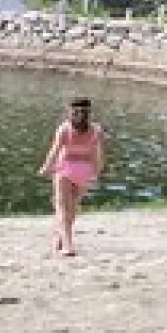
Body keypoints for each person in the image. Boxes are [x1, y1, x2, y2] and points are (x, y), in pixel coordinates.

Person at [38, 98, 106, 257]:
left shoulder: (64, 129)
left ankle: (68, 246)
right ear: (89, 112)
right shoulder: (97, 130)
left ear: (70, 111)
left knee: (62, 208)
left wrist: (46, 168)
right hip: (84, 170)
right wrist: (97, 172)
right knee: (73, 208)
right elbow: (100, 155)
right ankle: (60, 237)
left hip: (65, 169)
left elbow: (54, 151)